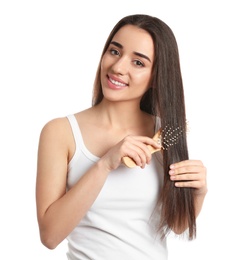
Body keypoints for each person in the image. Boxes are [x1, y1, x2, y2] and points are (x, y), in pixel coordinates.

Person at [35, 14, 207, 260]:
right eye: (115, 52)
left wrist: (198, 193)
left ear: (156, 77)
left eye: (138, 62)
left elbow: (176, 225)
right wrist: (105, 164)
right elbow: (50, 236)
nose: (118, 67)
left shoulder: (163, 135)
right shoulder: (61, 132)